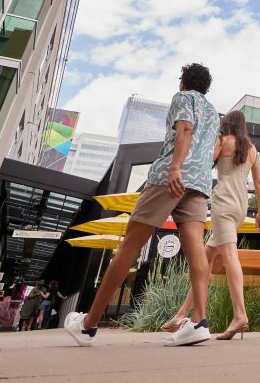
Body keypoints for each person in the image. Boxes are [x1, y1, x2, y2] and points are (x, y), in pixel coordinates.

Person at [65, 63, 219, 347]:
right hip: (199, 182)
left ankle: (89, 324)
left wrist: (175, 167)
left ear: (183, 81)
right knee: (196, 247)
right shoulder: (213, 113)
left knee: (130, 246)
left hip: (169, 179)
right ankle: (199, 321)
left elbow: (185, 128)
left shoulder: (183, 98)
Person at [161, 110, 260, 340]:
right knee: (204, 262)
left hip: (223, 204)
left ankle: (240, 314)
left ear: (226, 123)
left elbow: (205, 163)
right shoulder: (252, 150)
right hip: (240, 207)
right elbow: (258, 183)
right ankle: (181, 314)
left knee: (230, 257)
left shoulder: (223, 140)